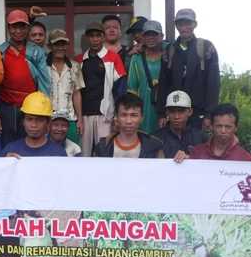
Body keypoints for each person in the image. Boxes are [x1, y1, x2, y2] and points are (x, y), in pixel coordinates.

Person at [157, 8, 219, 131]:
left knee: (197, 147)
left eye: (188, 23)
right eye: (180, 23)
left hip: (198, 113)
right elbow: (163, 83)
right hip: (175, 112)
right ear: (176, 26)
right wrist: (162, 113)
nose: (184, 27)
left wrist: (209, 114)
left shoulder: (206, 47)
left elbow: (213, 83)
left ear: (194, 24)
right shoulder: (170, 50)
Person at [0, 9, 50, 147]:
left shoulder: (37, 52)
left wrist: (44, 110)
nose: (18, 31)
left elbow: (44, 82)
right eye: (14, 27)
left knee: (30, 144)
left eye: (22, 26)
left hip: (31, 108)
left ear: (28, 28)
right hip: (6, 107)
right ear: (8, 28)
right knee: (7, 145)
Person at [75, 22, 126, 156]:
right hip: (84, 115)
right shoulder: (79, 60)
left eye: (98, 35)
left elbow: (120, 88)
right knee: (83, 154)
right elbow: (75, 91)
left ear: (103, 37)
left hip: (105, 115)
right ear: (87, 38)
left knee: (104, 153)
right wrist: (78, 117)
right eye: (92, 36)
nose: (95, 39)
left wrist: (117, 116)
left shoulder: (113, 57)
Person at [93, 93, 164, 158]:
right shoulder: (102, 147)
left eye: (134, 115)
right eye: (124, 115)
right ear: (116, 117)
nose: (128, 121)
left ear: (142, 118)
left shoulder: (154, 147)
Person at [127, 20, 166, 134]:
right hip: (144, 108)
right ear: (142, 37)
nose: (150, 38)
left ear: (161, 36)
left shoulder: (169, 55)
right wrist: (133, 115)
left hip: (165, 109)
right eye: (147, 34)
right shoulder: (137, 58)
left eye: (154, 34)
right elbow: (132, 88)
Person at [2, 92, 67, 157]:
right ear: (23, 121)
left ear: (48, 123)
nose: (34, 125)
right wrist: (5, 162)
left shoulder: (58, 153)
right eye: (29, 119)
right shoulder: (10, 150)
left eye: (39, 120)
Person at [47, 29, 84, 145]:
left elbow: (76, 94)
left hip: (70, 119)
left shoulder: (75, 66)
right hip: (48, 118)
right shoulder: (43, 66)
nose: (60, 47)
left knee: (72, 154)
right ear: (50, 46)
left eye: (63, 44)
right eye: (56, 44)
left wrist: (80, 119)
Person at [181, 103, 251, 162]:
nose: (223, 131)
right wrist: (184, 162)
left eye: (228, 127)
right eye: (219, 126)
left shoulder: (245, 159)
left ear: (236, 128)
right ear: (211, 126)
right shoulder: (197, 152)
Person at [154, 90, 204, 159]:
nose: (176, 116)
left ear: (190, 112)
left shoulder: (201, 137)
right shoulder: (156, 138)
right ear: (167, 112)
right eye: (172, 111)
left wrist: (190, 158)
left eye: (181, 111)